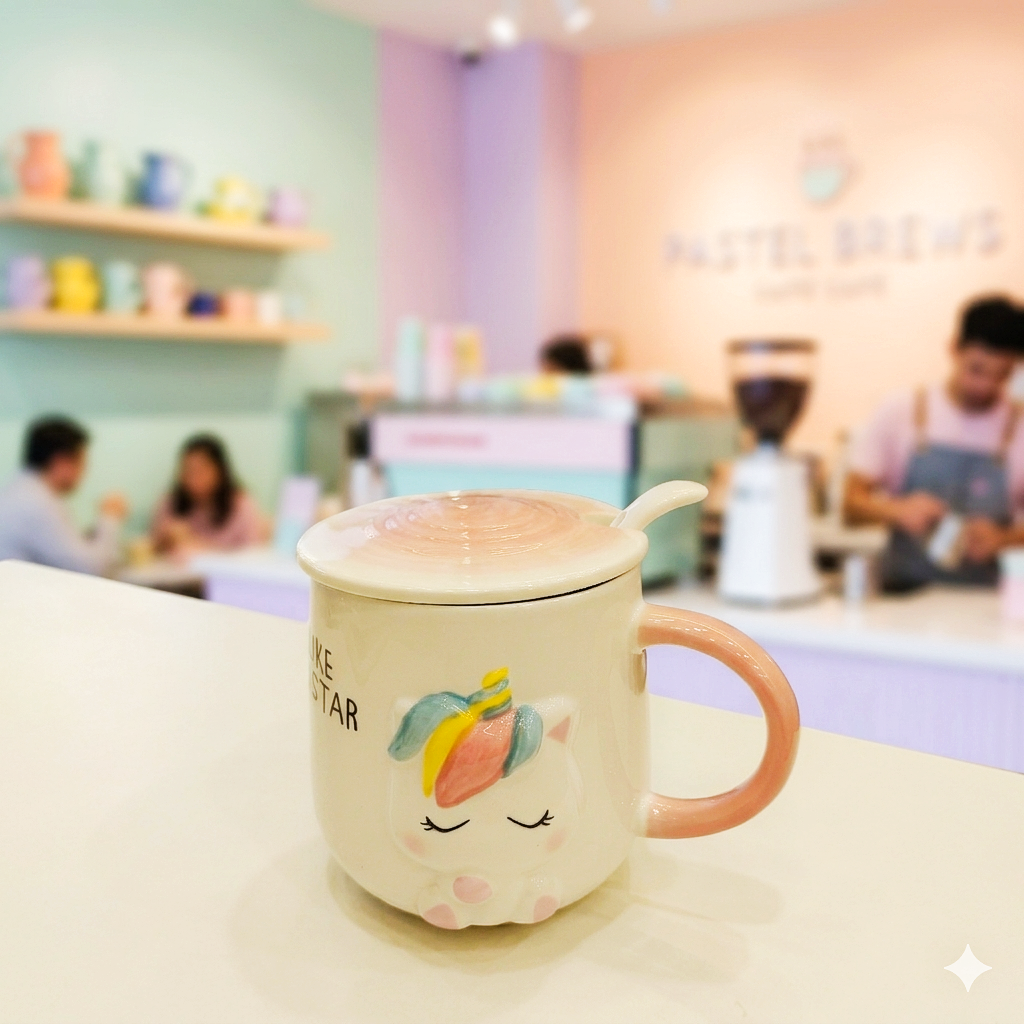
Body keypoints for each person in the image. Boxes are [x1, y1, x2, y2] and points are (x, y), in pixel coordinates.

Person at [845, 296, 1024, 590]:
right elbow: (849, 505)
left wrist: (1003, 539)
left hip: (984, 606)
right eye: (976, 370)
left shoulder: (1019, 425)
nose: (986, 386)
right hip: (902, 595)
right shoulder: (901, 409)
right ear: (954, 348)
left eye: (1001, 375)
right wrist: (897, 511)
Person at [0, 416, 128, 574]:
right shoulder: (38, 502)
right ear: (61, 461)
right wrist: (110, 518)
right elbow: (89, 569)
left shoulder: (19, 489)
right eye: (82, 462)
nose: (85, 472)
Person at [151, 434, 268, 557]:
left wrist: (199, 545)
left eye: (201, 470)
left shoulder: (241, 504)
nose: (193, 478)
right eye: (187, 470)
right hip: (180, 575)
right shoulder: (170, 502)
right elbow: (152, 549)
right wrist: (165, 541)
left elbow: (254, 553)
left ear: (220, 471)